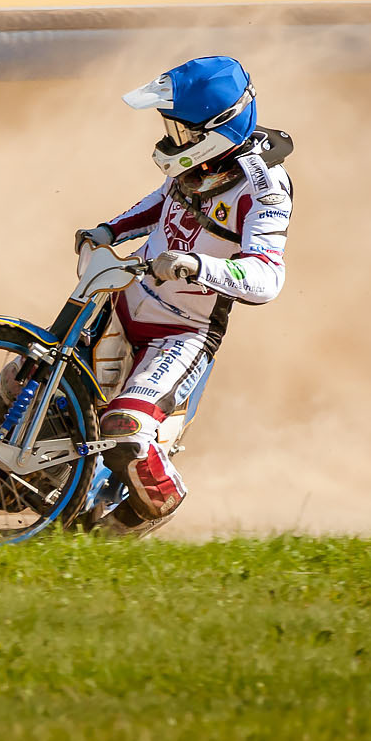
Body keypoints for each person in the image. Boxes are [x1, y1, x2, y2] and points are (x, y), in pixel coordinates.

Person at [74, 54, 293, 525]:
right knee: (23, 378)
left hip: (182, 332)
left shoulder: (265, 187)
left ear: (216, 129)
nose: (172, 141)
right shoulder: (200, 162)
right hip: (124, 302)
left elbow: (267, 278)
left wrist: (197, 266)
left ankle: (153, 506)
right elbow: (162, 201)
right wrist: (109, 231)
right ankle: (3, 472)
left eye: (181, 133)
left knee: (124, 432)